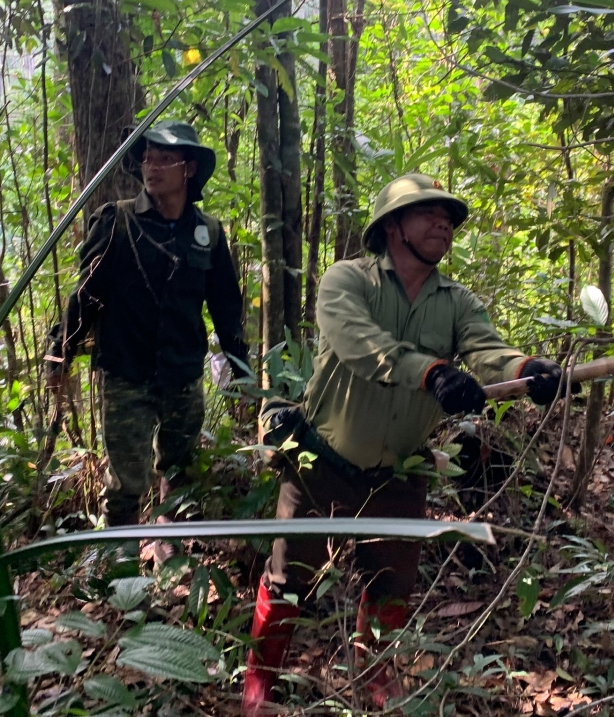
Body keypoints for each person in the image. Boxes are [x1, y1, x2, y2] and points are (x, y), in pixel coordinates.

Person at [242, 173, 567, 715]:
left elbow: (488, 350)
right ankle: (260, 680)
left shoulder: (457, 301)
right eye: (427, 213)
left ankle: (375, 673)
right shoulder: (348, 281)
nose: (443, 223)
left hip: (400, 471)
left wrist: (527, 369)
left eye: (448, 218)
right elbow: (359, 344)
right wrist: (433, 373)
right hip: (318, 462)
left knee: (392, 581)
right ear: (393, 227)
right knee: (287, 577)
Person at [46, 121, 248, 553]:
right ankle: (120, 574)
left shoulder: (208, 234)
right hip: (126, 374)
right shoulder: (115, 222)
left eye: (163, 159)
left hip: (182, 374)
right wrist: (59, 353)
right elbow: (84, 295)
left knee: (179, 470)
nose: (151, 168)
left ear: (188, 169)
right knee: (125, 483)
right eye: (146, 159)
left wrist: (245, 371)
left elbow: (226, 309)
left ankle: (166, 547)